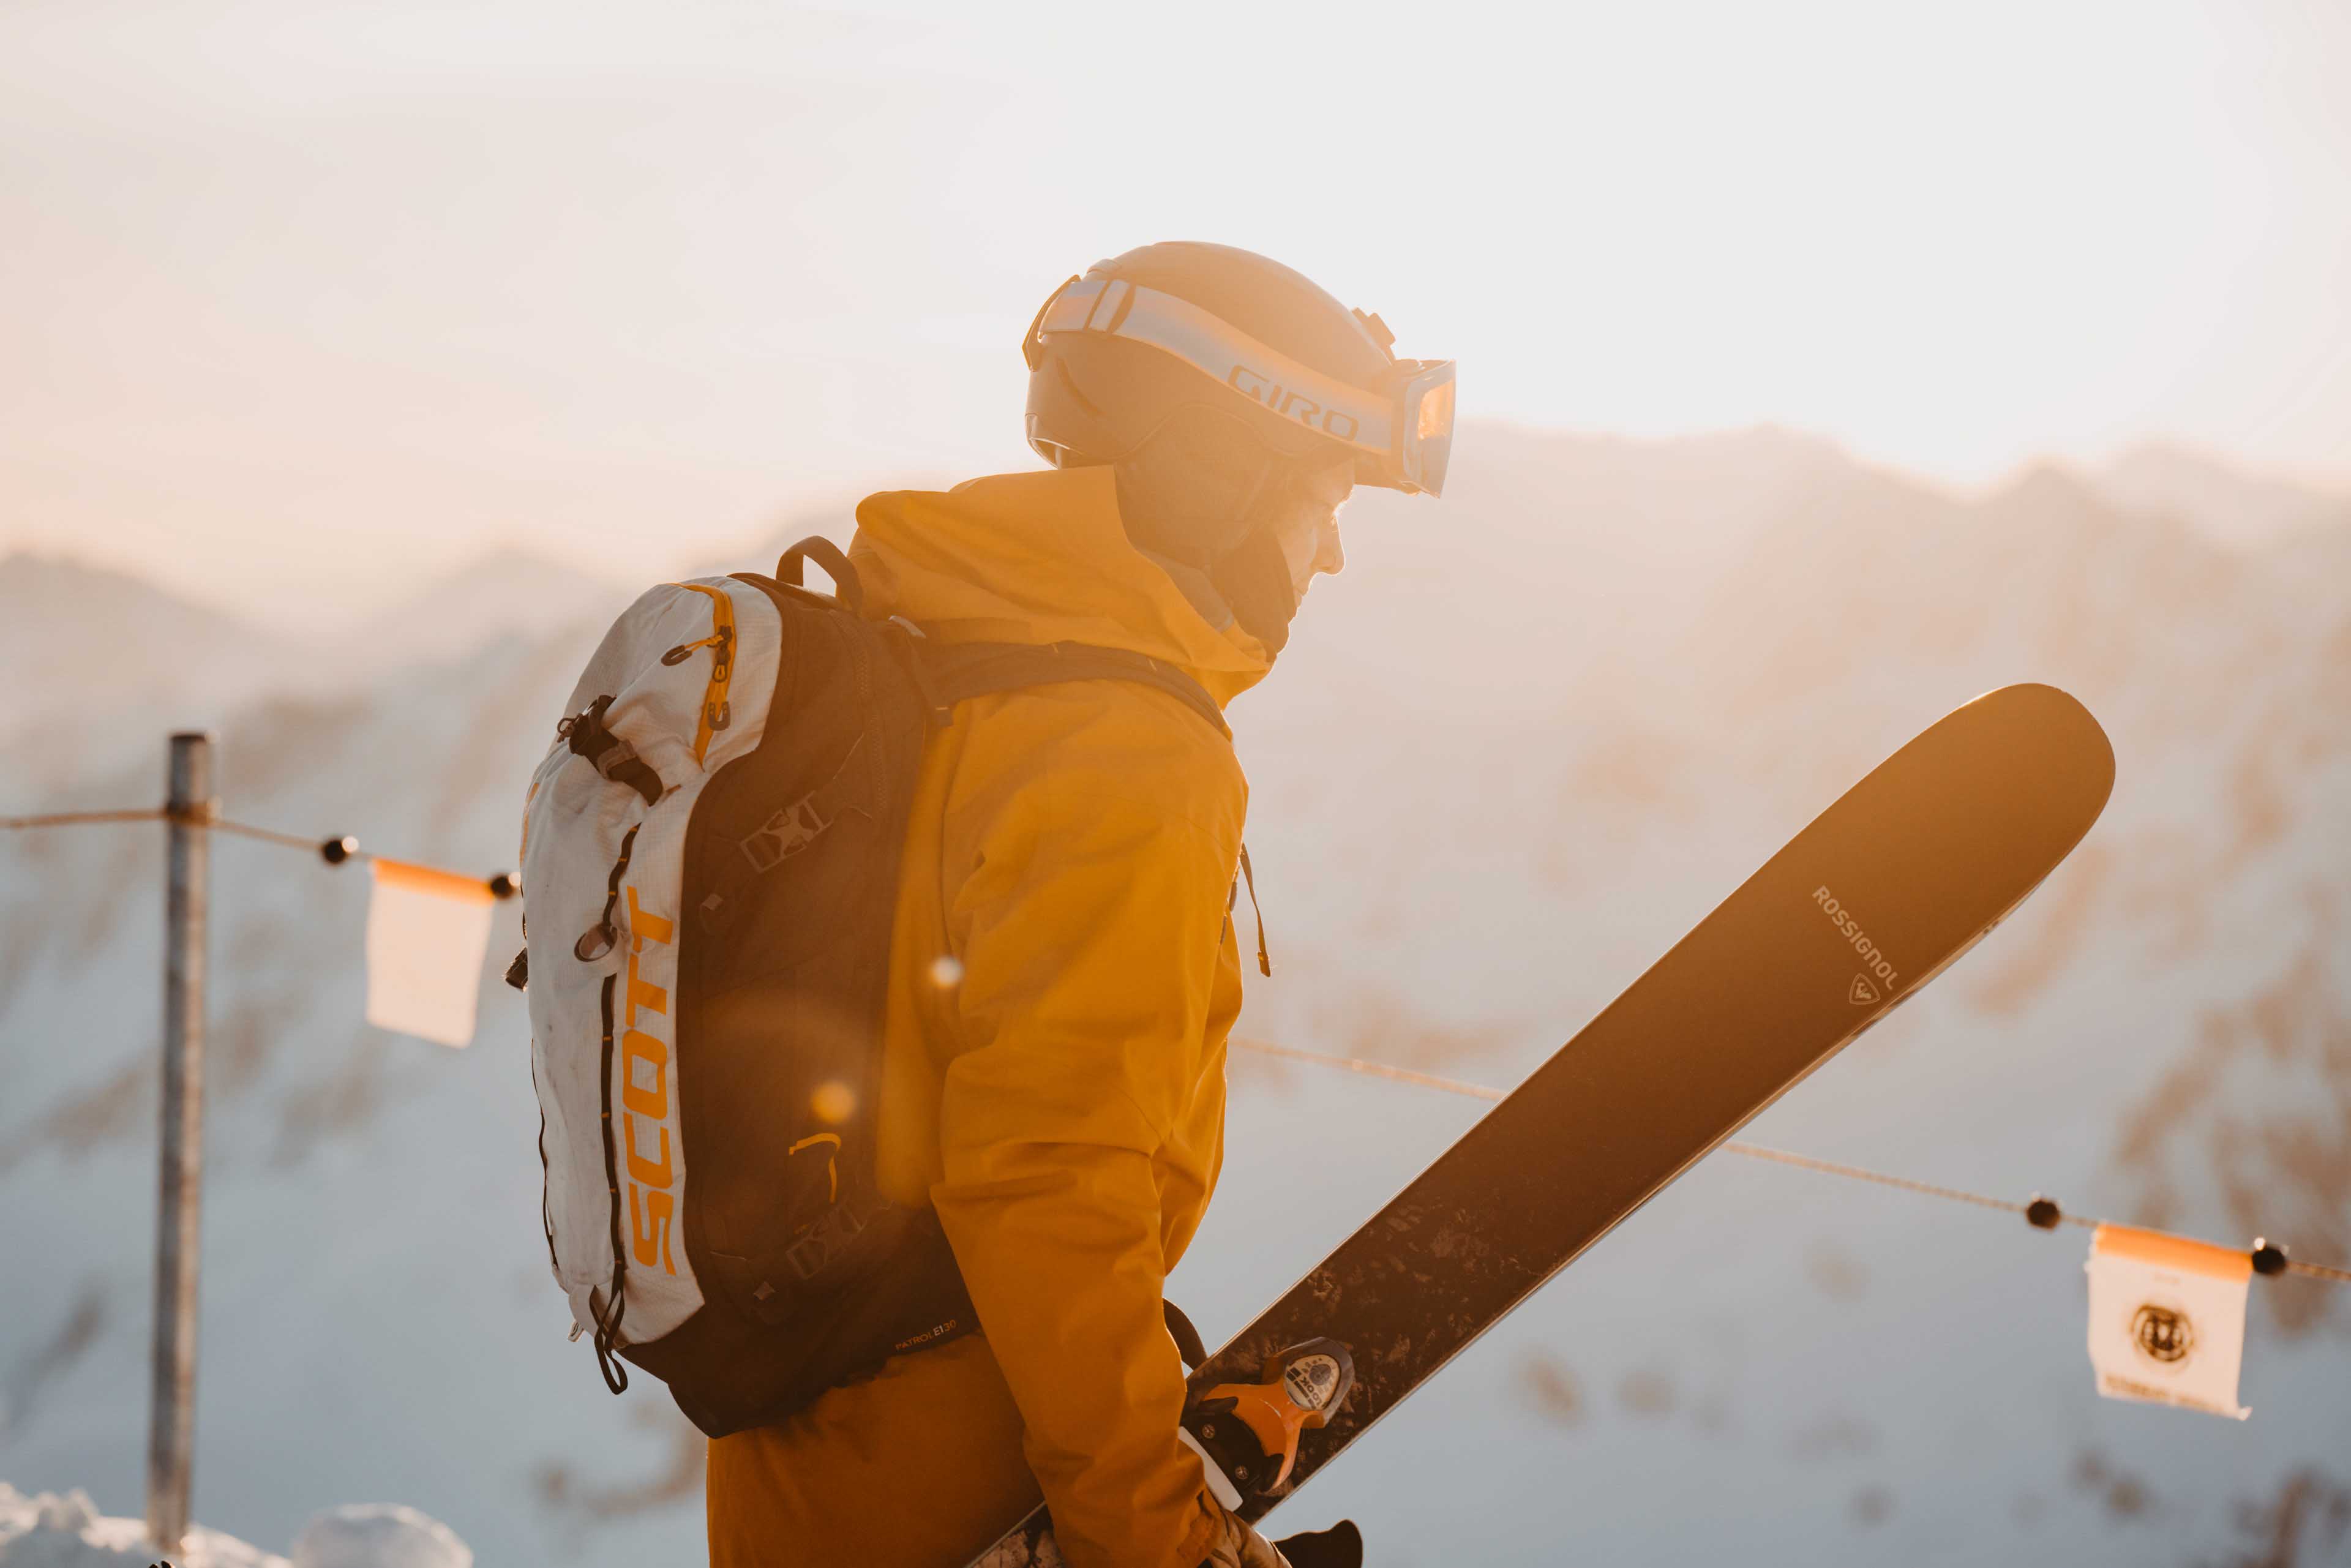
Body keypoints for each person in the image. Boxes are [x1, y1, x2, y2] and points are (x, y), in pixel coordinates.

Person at [703, 241, 1452, 1568]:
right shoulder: (1125, 750)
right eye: (1323, 497)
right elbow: (1050, 1177)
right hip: (965, 1472)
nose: (1330, 555)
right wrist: (1150, 1529)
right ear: (1224, 478)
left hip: (795, 1453)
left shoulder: (926, 639)